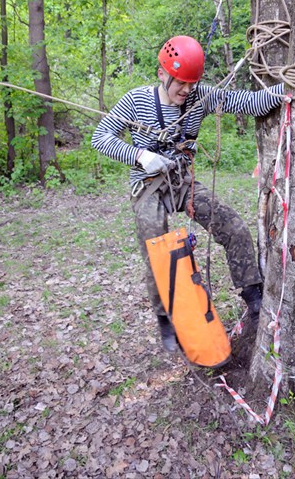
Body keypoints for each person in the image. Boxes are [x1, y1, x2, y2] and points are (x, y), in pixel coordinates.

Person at [92, 35, 283, 353]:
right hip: (148, 187)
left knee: (233, 225)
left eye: (191, 83)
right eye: (179, 82)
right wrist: (140, 156)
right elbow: (101, 137)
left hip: (183, 182)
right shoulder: (136, 101)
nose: (185, 90)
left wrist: (287, 87)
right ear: (162, 74)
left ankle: (253, 293)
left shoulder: (200, 97)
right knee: (158, 249)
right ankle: (166, 318)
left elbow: (251, 103)